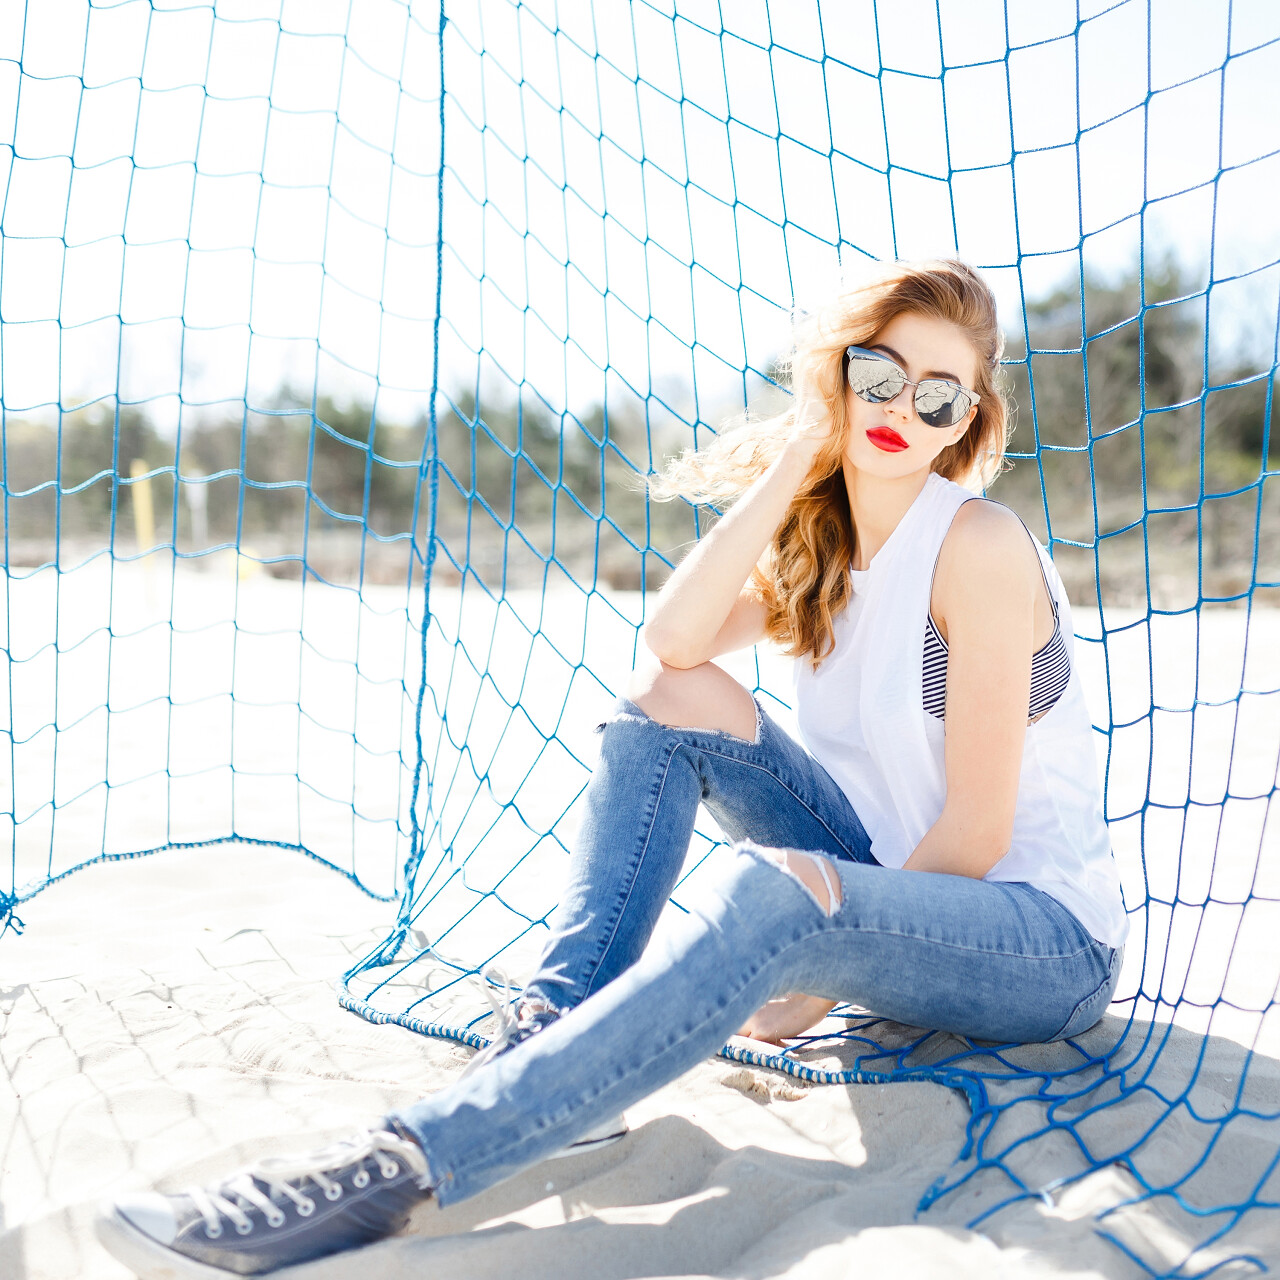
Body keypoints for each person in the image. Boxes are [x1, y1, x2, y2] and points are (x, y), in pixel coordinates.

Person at [95, 258, 1129, 1279]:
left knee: (770, 892)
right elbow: (674, 643)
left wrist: (816, 980)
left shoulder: (976, 546)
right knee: (664, 701)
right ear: (839, 377)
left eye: (938, 396)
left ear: (965, 424)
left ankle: (395, 1170)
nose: (902, 407)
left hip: (1037, 937)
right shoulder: (826, 546)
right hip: (888, 885)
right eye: (879, 375)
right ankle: (558, 1028)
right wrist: (796, 460)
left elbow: (979, 833)